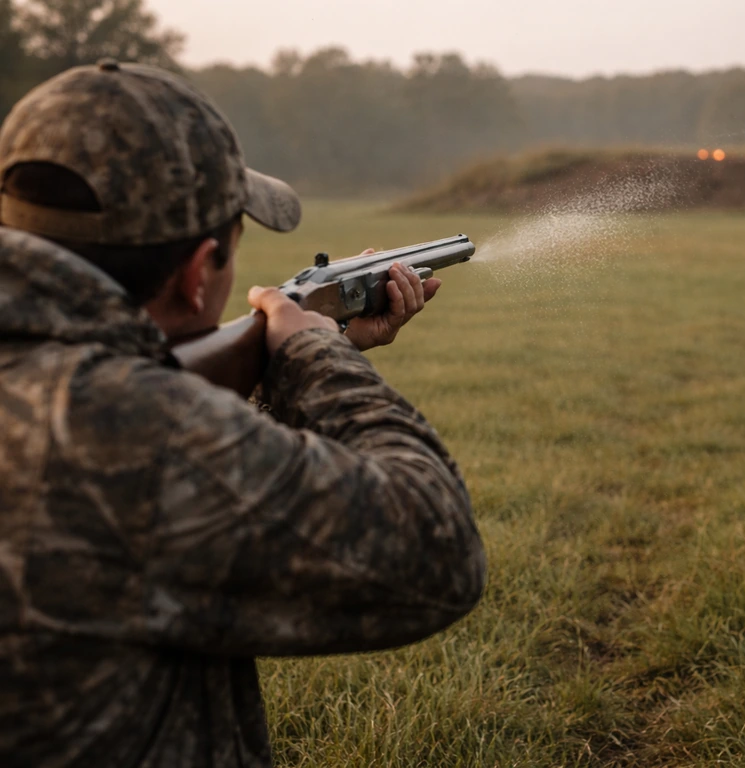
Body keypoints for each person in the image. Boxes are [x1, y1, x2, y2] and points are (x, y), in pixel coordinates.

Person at [0, 60, 485, 767]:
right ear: (200, 272)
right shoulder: (127, 428)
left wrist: (301, 349)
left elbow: (176, 447)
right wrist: (321, 359)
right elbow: (438, 552)